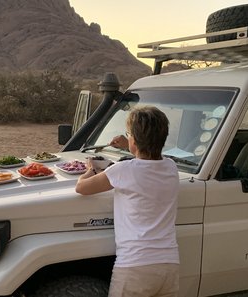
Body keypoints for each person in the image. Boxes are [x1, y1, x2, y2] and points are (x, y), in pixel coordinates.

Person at [76, 106, 180, 297]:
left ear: (134, 140)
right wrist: (130, 144)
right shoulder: (171, 167)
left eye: (129, 134)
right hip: (169, 264)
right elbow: (148, 162)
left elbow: (81, 188)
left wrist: (89, 170)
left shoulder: (123, 170)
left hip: (135, 266)